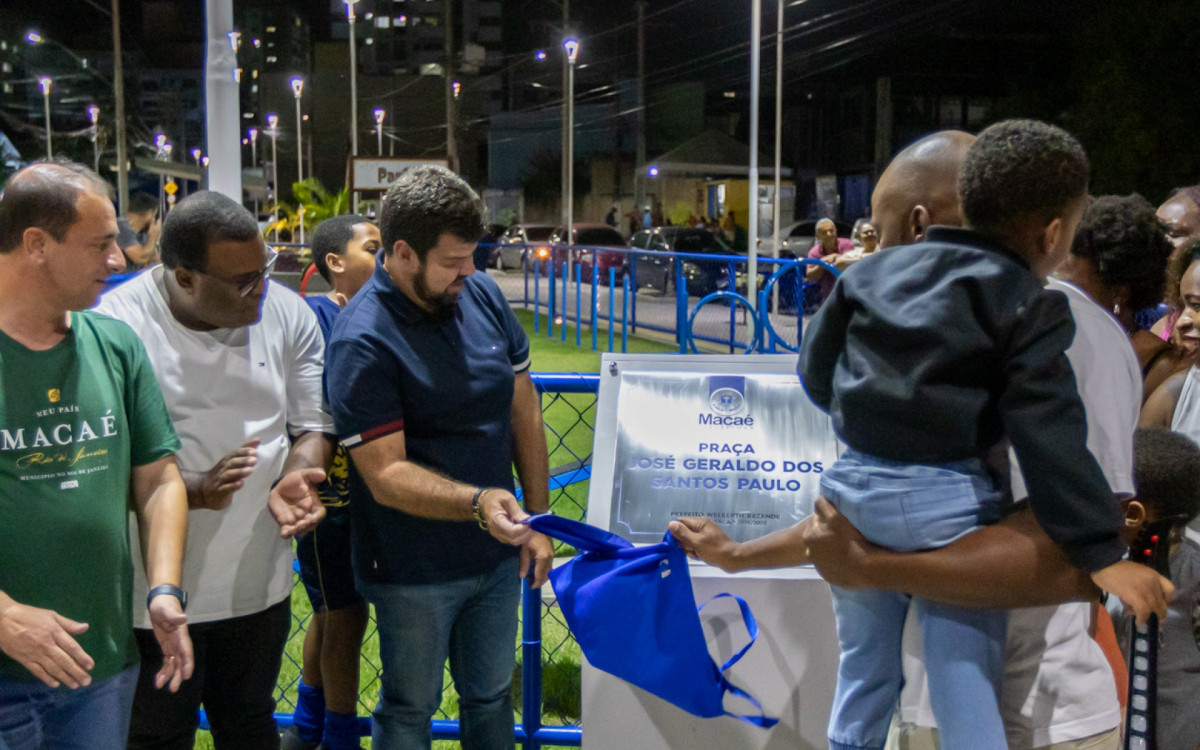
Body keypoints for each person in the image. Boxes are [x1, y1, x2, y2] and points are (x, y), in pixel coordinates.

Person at [674, 122, 1171, 750]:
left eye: (876, 233)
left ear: (916, 223)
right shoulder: (1025, 308)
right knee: (953, 670)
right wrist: (745, 555)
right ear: (1051, 232)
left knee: (867, 677)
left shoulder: (1072, 334)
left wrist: (871, 562)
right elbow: (862, 524)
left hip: (1044, 722)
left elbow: (1052, 561)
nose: (872, 248)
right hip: (937, 710)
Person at [95, 190, 334, 749]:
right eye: (242, 281)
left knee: (250, 725)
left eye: (264, 269)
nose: (261, 290)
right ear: (183, 278)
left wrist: (300, 473)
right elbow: (98, 467)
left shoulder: (287, 311)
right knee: (157, 735)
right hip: (151, 599)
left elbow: (310, 427)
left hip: (258, 585)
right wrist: (190, 490)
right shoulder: (116, 326)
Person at [324, 165, 553, 749]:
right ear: (402, 254)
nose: (469, 272)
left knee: (491, 695)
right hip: (412, 568)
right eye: (453, 261)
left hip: (499, 551)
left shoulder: (479, 294)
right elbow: (386, 475)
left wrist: (539, 519)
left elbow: (523, 407)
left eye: (472, 256)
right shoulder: (362, 339)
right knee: (409, 709)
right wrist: (479, 502)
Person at [0, 162, 191, 748]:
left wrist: (164, 589)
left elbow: (158, 477)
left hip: (101, 665)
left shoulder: (114, 343)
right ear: (36, 244)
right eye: (102, 242)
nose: (119, 259)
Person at [282, 214, 380, 750]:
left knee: (337, 609)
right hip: (327, 494)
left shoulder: (378, 313)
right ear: (335, 264)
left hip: (367, 494)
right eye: (373, 247)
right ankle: (339, 736)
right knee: (343, 611)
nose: (385, 256)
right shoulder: (317, 314)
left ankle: (307, 723)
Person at [1109, 428, 1200, 750]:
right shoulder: (1097, 566)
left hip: (1180, 736)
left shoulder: (1194, 571)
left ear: (1133, 512)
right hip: (1108, 731)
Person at [1056, 194, 1182, 400]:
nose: (1056, 291)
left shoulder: (1162, 367)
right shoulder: (1055, 342)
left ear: (1118, 294)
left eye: (1070, 285)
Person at [804, 218, 854, 301]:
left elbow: (850, 264)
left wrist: (837, 257)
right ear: (817, 235)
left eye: (831, 231)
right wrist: (822, 264)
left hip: (848, 293)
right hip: (828, 297)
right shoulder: (814, 252)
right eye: (824, 232)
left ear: (836, 231)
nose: (829, 234)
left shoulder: (847, 244)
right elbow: (810, 276)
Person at [117, 191, 163, 270]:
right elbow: (140, 259)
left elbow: (153, 260)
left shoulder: (143, 233)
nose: (154, 220)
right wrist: (153, 236)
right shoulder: (121, 226)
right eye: (154, 216)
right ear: (150, 214)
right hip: (117, 281)